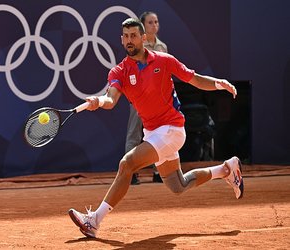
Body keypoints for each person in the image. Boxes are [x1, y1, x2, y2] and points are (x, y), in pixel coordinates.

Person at [68, 18, 244, 238]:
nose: (129, 40)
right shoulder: (118, 72)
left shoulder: (164, 60)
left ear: (144, 38)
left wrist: (220, 83)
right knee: (178, 185)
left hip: (172, 128)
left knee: (127, 163)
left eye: (134, 35)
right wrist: (99, 101)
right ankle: (227, 169)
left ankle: (94, 221)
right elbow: (111, 100)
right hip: (152, 132)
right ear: (121, 40)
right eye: (126, 36)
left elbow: (195, 79)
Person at [126, 11, 167, 185]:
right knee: (134, 134)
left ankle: (159, 172)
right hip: (138, 98)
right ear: (143, 27)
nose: (154, 25)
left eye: (156, 22)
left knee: (158, 134)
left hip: (157, 100)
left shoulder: (162, 47)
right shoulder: (137, 48)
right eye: (150, 22)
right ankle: (131, 173)